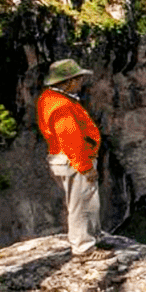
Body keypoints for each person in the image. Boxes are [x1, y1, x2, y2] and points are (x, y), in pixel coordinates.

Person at [36, 58, 104, 257]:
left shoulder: (48, 98)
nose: (81, 81)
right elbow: (71, 139)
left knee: (86, 200)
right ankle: (84, 248)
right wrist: (85, 166)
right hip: (74, 160)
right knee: (80, 204)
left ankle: (93, 238)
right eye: (78, 78)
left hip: (66, 159)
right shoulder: (61, 106)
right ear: (68, 81)